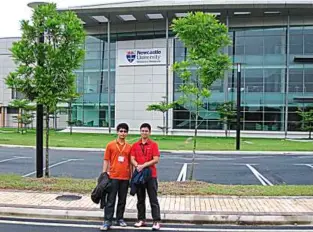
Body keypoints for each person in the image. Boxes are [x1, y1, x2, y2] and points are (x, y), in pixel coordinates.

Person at [100, 123, 132, 231]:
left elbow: (130, 163)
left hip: (125, 177)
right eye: (121, 131)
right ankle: (107, 221)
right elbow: (106, 160)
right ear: (117, 132)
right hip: (113, 176)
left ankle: (120, 218)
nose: (123, 133)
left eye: (125, 131)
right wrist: (104, 174)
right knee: (111, 200)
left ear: (127, 133)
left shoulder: (129, 147)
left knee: (122, 200)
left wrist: (131, 176)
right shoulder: (110, 145)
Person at [130, 123, 161, 231]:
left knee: (153, 199)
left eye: (146, 131)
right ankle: (141, 219)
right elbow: (132, 158)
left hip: (151, 175)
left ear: (149, 132)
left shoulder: (153, 145)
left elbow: (156, 159)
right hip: (139, 175)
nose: (144, 132)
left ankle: (156, 221)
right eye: (142, 130)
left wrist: (143, 165)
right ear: (140, 132)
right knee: (140, 199)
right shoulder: (135, 145)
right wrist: (136, 165)